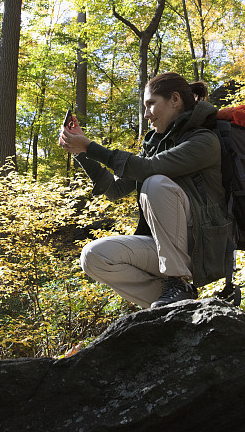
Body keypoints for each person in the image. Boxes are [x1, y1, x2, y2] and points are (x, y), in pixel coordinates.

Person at [58, 72, 230, 308]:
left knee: (154, 183)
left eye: (151, 104)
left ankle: (177, 282)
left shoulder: (204, 141)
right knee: (94, 256)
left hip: (202, 246)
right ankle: (177, 307)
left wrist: (91, 147)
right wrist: (81, 152)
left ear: (175, 100)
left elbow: (149, 169)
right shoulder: (155, 146)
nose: (146, 114)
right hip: (166, 247)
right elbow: (115, 189)